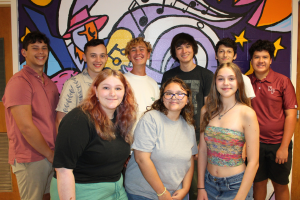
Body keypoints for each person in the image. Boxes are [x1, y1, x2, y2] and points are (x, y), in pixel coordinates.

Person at [50, 69, 137, 200]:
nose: (112, 93)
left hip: (116, 190)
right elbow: (63, 170)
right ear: (95, 91)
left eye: (118, 88)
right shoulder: (79, 119)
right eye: (106, 87)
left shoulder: (122, 119)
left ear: (125, 93)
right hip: (82, 191)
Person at [2, 31, 59, 200]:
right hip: (31, 157)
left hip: (51, 154)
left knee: (50, 197)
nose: (41, 52)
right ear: (24, 53)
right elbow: (26, 127)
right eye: (35, 48)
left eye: (44, 48)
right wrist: (50, 155)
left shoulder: (49, 84)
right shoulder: (19, 82)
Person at [125, 77, 198, 200]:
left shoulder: (189, 126)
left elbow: (190, 160)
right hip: (145, 193)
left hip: (176, 193)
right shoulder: (151, 119)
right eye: (168, 93)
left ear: (187, 100)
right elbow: (141, 159)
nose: (174, 97)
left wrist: (185, 189)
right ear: (162, 98)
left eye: (180, 94)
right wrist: (162, 193)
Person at [161, 32, 213, 199]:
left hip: (197, 135)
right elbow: (164, 106)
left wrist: (202, 139)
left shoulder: (206, 75)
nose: (184, 51)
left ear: (194, 49)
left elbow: (209, 109)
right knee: (175, 179)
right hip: (174, 134)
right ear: (175, 53)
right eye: (179, 47)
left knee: (197, 183)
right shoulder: (169, 76)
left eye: (188, 46)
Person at [197, 62, 259, 200]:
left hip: (236, 186)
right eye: (220, 78)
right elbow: (202, 150)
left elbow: (254, 162)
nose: (226, 83)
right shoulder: (206, 111)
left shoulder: (247, 113)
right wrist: (200, 187)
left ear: (238, 82)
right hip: (209, 185)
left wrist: (240, 197)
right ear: (215, 82)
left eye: (231, 78)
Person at [248, 40, 297, 200]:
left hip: (278, 144)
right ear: (251, 60)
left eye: (265, 57)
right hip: (254, 144)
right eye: (256, 57)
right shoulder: (245, 82)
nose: (260, 61)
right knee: (258, 183)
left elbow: (291, 115)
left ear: (270, 60)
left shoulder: (283, 81)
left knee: (280, 185)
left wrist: (283, 147)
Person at [55, 39, 108, 129]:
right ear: (84, 57)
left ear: (106, 58)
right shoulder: (73, 84)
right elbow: (61, 120)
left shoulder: (112, 83)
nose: (98, 60)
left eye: (102, 56)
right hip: (82, 141)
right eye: (93, 56)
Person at [124, 37, 159, 126]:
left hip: (149, 135)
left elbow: (158, 112)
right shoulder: (121, 81)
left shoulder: (153, 84)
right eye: (133, 50)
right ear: (129, 57)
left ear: (148, 55)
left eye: (141, 49)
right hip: (127, 135)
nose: (138, 53)